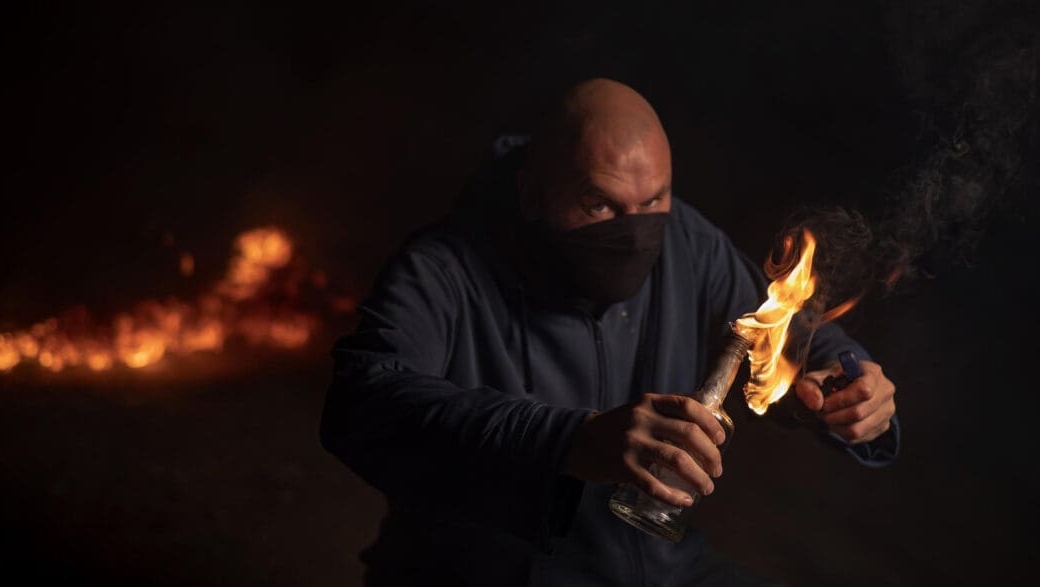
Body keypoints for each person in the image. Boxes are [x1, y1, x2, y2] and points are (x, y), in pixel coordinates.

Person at [320, 78, 899, 586]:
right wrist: (568, 441)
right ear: (533, 193)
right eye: (599, 206)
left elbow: (779, 324)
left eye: (653, 200)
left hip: (661, 568)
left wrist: (843, 380)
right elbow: (362, 404)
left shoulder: (686, 241)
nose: (635, 233)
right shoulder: (443, 267)